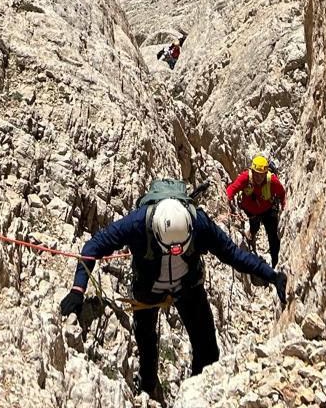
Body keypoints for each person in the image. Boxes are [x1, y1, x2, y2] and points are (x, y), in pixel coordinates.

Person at [59, 190, 287, 402]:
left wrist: (272, 275)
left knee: (207, 348)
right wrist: (78, 289)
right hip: (151, 288)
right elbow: (93, 247)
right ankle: (149, 388)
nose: (175, 251)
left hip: (186, 287)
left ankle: (199, 395)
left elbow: (233, 254)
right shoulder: (138, 223)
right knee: (146, 342)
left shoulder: (199, 223)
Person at [226, 155, 287, 265]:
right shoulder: (245, 177)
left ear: (266, 173)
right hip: (251, 211)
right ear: (252, 172)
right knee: (254, 226)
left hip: (268, 211)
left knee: (273, 236)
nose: (259, 177)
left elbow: (282, 193)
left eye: (262, 174)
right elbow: (233, 188)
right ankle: (251, 236)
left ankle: (275, 263)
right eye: (257, 174)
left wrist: (284, 206)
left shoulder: (272, 181)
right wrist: (228, 199)